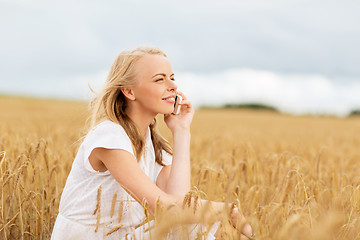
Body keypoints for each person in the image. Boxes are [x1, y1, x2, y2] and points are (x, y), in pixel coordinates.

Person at [51, 46, 253, 239]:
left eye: (172, 78)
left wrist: (182, 131)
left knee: (212, 229)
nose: (173, 85)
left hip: (124, 235)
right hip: (94, 236)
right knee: (218, 231)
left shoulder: (151, 143)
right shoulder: (109, 137)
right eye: (159, 79)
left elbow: (180, 207)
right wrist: (226, 209)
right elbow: (163, 207)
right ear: (129, 91)